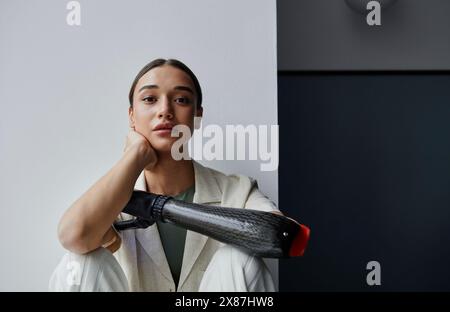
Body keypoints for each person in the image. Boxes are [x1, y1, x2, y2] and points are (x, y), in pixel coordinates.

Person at [49, 58, 282, 292]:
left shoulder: (236, 190)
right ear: (132, 116)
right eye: (150, 99)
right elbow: (73, 236)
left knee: (237, 257)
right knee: (80, 261)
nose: (165, 111)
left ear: (197, 117)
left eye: (181, 100)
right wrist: (135, 155)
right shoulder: (110, 197)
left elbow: (278, 233)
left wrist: (161, 208)